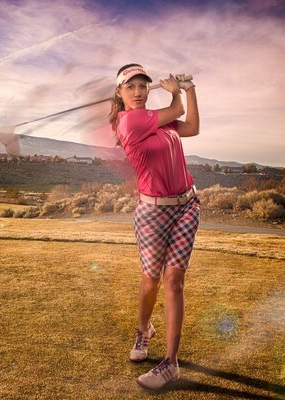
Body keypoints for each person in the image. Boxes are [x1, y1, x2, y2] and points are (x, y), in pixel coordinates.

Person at [108, 63, 200, 390]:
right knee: (151, 280)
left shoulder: (158, 119)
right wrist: (177, 91)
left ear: (148, 89)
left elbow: (191, 126)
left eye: (142, 86)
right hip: (152, 212)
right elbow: (176, 108)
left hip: (186, 205)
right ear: (119, 94)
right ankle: (144, 329)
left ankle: (171, 363)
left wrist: (189, 89)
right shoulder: (130, 120)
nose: (137, 92)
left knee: (174, 280)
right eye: (130, 86)